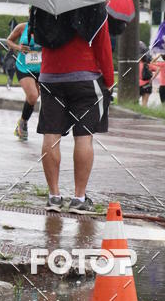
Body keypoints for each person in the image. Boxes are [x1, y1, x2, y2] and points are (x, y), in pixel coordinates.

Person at [37, 15, 114, 213]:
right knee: (83, 135)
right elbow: (103, 46)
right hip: (85, 77)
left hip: (50, 76)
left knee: (51, 134)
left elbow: (37, 36)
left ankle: (54, 197)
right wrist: (109, 80)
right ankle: (79, 198)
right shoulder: (93, 4)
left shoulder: (44, 4)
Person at [6, 20, 42, 141]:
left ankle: (23, 121)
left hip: (41, 68)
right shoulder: (22, 27)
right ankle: (23, 123)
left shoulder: (47, 27)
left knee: (36, 97)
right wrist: (18, 47)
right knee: (33, 95)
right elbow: (9, 40)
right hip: (24, 67)